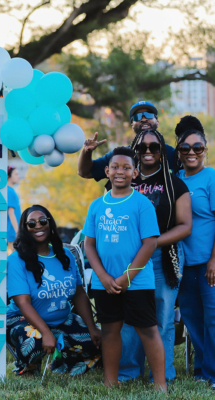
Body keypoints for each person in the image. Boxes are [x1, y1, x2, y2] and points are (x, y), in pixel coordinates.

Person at [83, 146, 167, 392]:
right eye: (116, 167)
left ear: (135, 172)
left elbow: (150, 243)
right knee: (110, 331)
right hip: (104, 282)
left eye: (127, 167)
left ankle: (160, 385)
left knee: (148, 331)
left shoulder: (142, 204)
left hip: (137, 281)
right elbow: (89, 244)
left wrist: (126, 277)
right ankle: (110, 381)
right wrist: (103, 276)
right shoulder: (96, 206)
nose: (121, 172)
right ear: (107, 171)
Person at [116, 129, 192, 382]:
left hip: (163, 258)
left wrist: (152, 243)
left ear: (163, 152)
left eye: (154, 147)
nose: (148, 152)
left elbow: (185, 225)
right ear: (135, 151)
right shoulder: (123, 178)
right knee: (129, 317)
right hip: (127, 257)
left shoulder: (176, 184)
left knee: (163, 316)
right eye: (142, 148)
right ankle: (128, 372)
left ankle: (161, 374)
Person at [7, 205, 101, 376]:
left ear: (49, 223)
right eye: (31, 224)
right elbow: (23, 303)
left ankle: (61, 364)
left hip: (61, 319)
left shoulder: (65, 255)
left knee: (96, 342)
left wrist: (92, 327)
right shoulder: (16, 260)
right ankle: (27, 368)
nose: (38, 226)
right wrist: (45, 332)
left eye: (43, 221)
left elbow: (79, 294)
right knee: (34, 340)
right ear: (25, 228)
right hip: (22, 319)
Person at [174, 118, 215, 386]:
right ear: (178, 152)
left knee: (212, 320)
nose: (191, 152)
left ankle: (212, 373)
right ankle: (202, 370)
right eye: (186, 148)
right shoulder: (175, 179)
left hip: (208, 262)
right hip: (182, 264)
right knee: (192, 319)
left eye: (197, 147)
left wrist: (214, 259)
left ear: (205, 149)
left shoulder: (211, 176)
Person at [77, 101, 175, 181]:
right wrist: (87, 151)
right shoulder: (121, 155)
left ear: (157, 122)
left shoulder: (171, 154)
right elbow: (85, 172)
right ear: (132, 126)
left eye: (149, 115)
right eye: (137, 117)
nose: (144, 119)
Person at [7, 166, 21, 254]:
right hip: (12, 232)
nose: (18, 176)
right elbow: (11, 214)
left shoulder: (10, 190)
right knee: (15, 257)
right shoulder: (10, 191)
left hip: (12, 232)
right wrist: (18, 232)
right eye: (16, 174)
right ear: (9, 176)